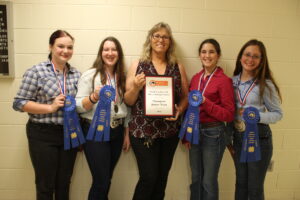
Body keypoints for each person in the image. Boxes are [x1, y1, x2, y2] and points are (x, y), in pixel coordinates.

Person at [13, 30, 80, 200]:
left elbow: (80, 105)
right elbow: (19, 103)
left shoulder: (77, 75)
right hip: (42, 134)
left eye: (69, 47)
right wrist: (50, 108)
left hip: (69, 135)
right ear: (51, 47)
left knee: (64, 183)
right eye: (60, 46)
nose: (65, 51)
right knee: (45, 185)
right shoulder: (36, 72)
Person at [124, 22, 189, 200]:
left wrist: (180, 109)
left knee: (161, 180)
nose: (161, 40)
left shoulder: (177, 66)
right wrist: (136, 87)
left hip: (169, 132)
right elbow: (128, 100)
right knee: (148, 178)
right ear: (150, 39)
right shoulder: (138, 65)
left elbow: (185, 96)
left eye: (165, 36)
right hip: (143, 131)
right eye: (157, 36)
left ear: (170, 41)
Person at [75, 36, 130, 200]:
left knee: (107, 180)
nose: (110, 53)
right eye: (106, 49)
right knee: (101, 181)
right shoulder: (90, 76)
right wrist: (93, 97)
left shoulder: (123, 78)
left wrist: (126, 133)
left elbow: (128, 107)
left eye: (114, 49)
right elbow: (77, 106)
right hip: (94, 131)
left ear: (119, 54)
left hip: (117, 132)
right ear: (101, 53)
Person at [232, 39, 283, 200]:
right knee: (240, 184)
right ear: (241, 57)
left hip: (259, 138)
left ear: (261, 61)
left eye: (256, 56)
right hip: (238, 138)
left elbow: (277, 113)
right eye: (247, 54)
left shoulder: (265, 84)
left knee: (254, 188)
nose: (250, 59)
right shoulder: (231, 81)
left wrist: (255, 116)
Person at [186, 38, 235, 200]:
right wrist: (187, 133)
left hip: (213, 133)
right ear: (200, 55)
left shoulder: (224, 81)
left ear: (218, 55)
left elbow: (229, 114)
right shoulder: (195, 79)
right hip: (194, 133)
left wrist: (207, 103)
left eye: (211, 52)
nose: (207, 55)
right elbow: (190, 109)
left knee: (208, 181)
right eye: (204, 52)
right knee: (195, 178)